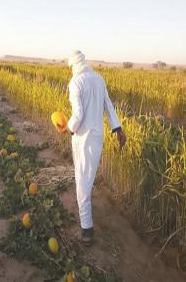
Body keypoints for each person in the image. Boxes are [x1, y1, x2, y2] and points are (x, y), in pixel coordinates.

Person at [58, 50, 126, 246]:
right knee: (87, 176)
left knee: (82, 180)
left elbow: (77, 115)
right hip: (97, 137)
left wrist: (68, 129)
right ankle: (86, 214)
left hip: (83, 138)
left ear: (74, 66)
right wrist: (118, 128)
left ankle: (87, 229)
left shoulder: (76, 83)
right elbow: (108, 105)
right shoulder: (98, 79)